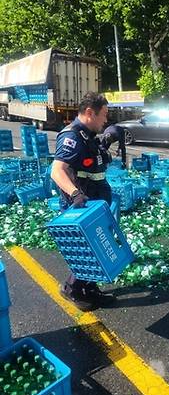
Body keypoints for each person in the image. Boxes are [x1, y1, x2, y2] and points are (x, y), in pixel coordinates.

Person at [50, 92, 116, 312]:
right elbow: (57, 171)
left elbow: (90, 163)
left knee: (94, 249)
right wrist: (75, 193)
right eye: (104, 115)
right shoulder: (71, 136)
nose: (106, 120)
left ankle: (89, 288)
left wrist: (103, 152)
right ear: (90, 113)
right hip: (82, 205)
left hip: (94, 204)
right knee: (86, 251)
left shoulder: (87, 135)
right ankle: (71, 289)